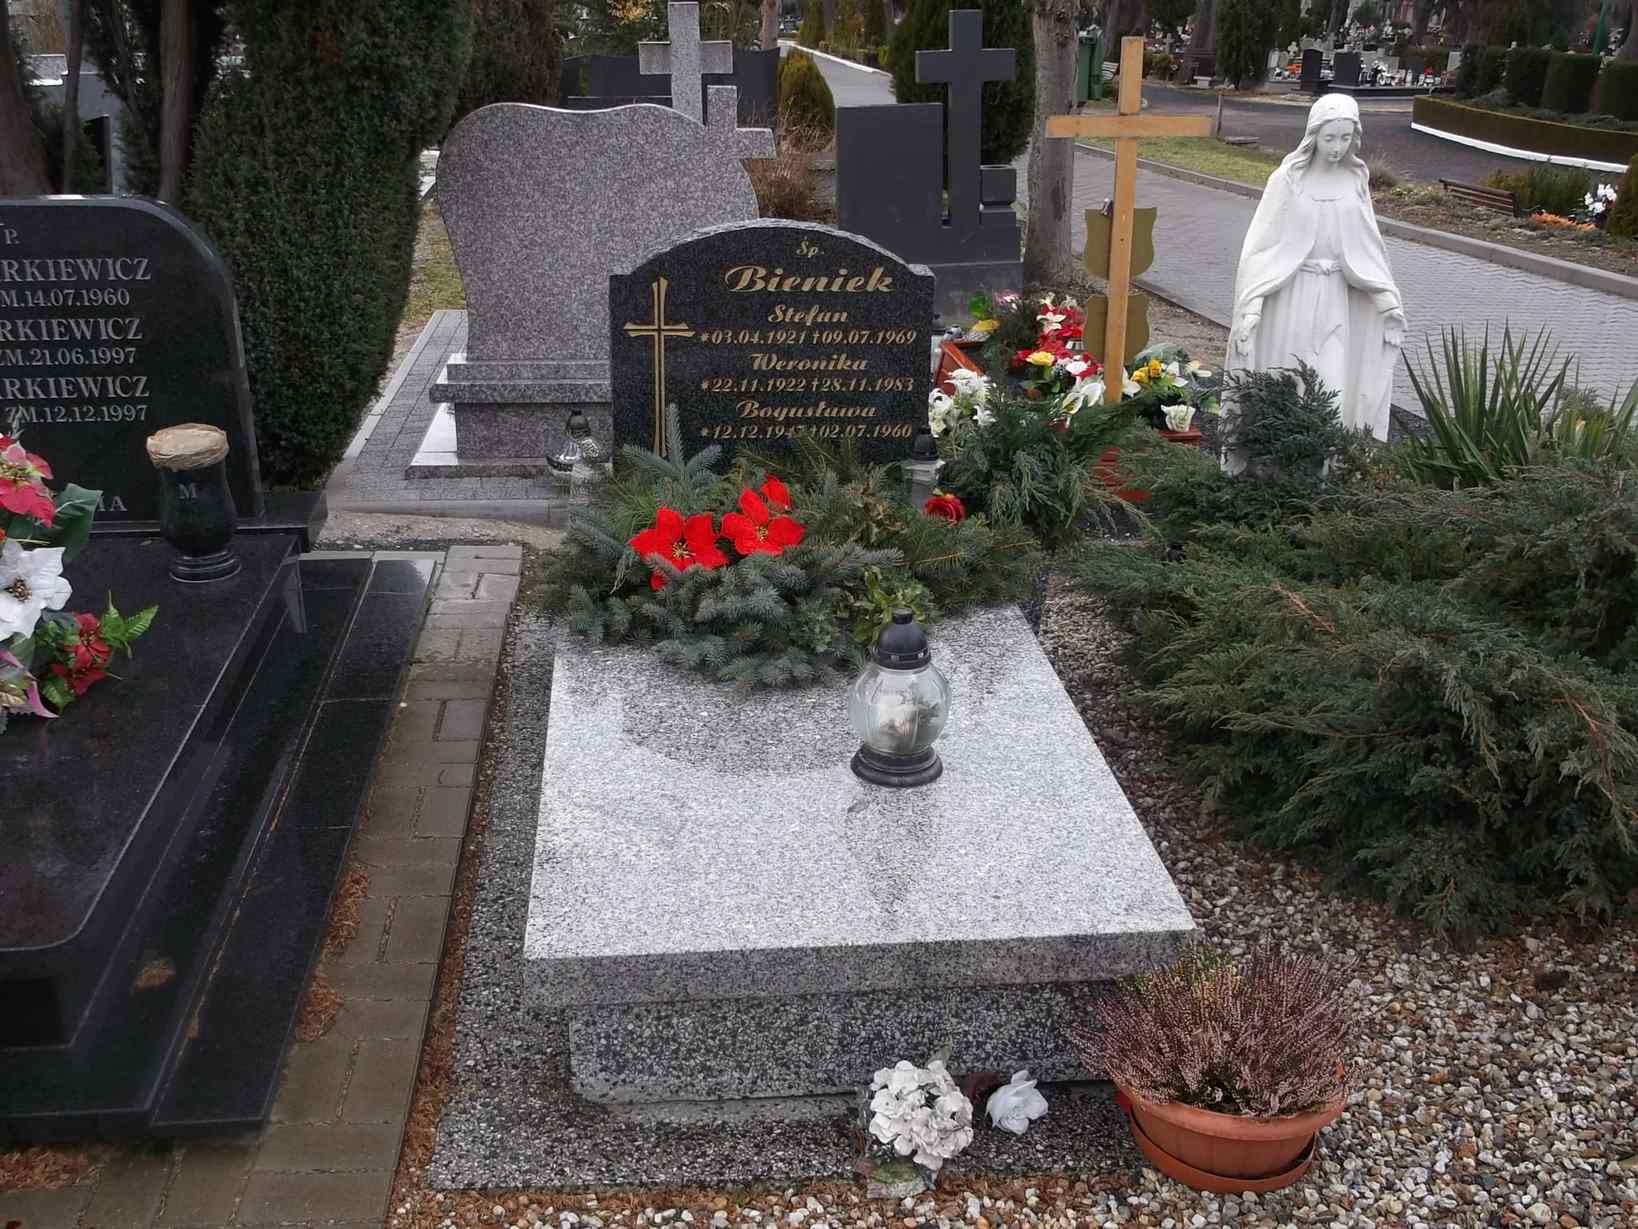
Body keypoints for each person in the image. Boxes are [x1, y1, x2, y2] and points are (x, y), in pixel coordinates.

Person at [1228, 93, 1406, 440]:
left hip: (1336, 298)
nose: (1337, 147)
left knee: (1331, 382)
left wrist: (1388, 305)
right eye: (1329, 138)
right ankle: (1277, 461)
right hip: (1291, 298)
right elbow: (1262, 248)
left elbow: (1367, 248)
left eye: (1345, 138)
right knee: (1288, 375)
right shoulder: (1287, 180)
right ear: (1313, 135)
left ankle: (1326, 462)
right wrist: (1251, 308)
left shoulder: (1354, 182)